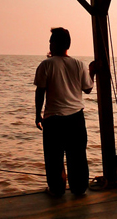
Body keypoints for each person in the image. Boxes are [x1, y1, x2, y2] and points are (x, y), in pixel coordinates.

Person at [34, 27, 95, 197]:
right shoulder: (78, 64)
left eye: (50, 41)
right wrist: (92, 71)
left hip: (53, 119)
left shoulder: (46, 65)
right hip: (76, 118)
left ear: (54, 44)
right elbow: (88, 88)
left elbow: (40, 92)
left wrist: (37, 115)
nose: (49, 44)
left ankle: (57, 189)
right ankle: (79, 189)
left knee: (54, 158)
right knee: (77, 156)